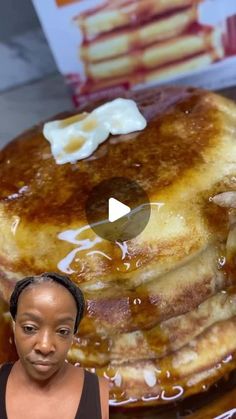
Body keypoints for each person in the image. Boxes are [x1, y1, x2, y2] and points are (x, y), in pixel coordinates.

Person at [0, 272, 109, 419]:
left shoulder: (102, 393)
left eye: (62, 331)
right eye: (29, 328)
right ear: (14, 326)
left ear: (74, 334)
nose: (45, 346)